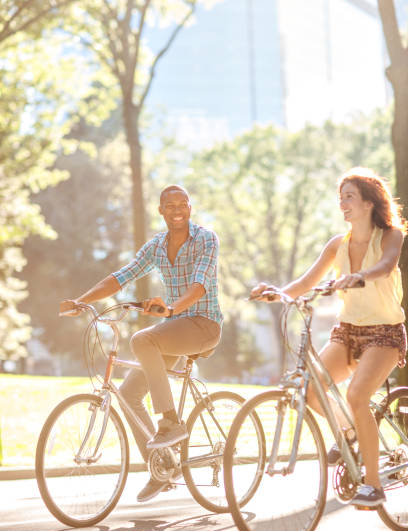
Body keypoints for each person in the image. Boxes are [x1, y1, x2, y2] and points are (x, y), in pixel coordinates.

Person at [250, 167, 407, 508]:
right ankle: (349, 434)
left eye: (349, 196)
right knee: (310, 388)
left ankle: (374, 485)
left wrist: (359, 276)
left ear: (368, 202)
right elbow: (305, 283)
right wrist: (276, 293)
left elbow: (385, 265)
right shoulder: (338, 245)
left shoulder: (390, 235)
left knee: (356, 395)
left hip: (384, 333)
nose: (343, 204)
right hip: (348, 331)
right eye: (341, 198)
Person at [60, 185, 223, 502]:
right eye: (169, 205)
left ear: (190, 208)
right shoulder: (157, 247)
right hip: (175, 326)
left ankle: (170, 422)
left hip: (204, 324)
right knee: (128, 394)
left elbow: (201, 284)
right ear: (160, 211)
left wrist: (174, 308)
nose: (177, 209)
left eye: (182, 204)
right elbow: (121, 276)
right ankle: (163, 466)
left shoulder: (206, 239)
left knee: (142, 339)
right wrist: (80, 301)